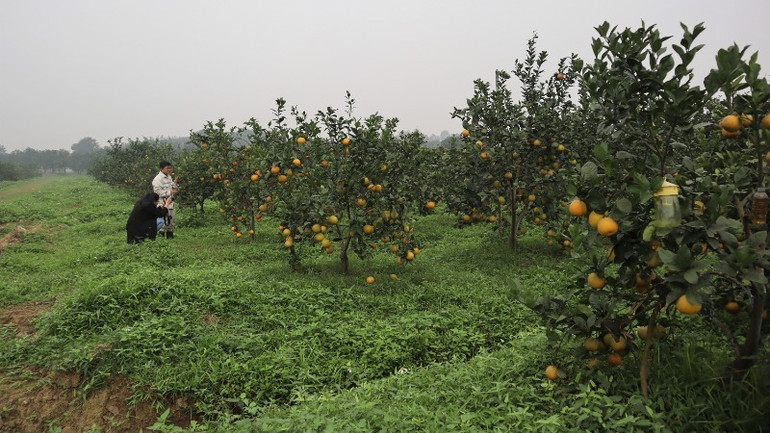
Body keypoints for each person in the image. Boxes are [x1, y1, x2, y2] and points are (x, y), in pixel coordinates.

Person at [152, 160, 178, 238]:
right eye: (167, 168)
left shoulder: (169, 177)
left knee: (171, 220)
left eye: (170, 168)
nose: (169, 170)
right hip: (162, 202)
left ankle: (170, 237)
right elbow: (157, 192)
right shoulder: (158, 179)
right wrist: (170, 192)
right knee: (164, 221)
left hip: (170, 202)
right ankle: (161, 237)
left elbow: (172, 187)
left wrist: (175, 184)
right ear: (161, 168)